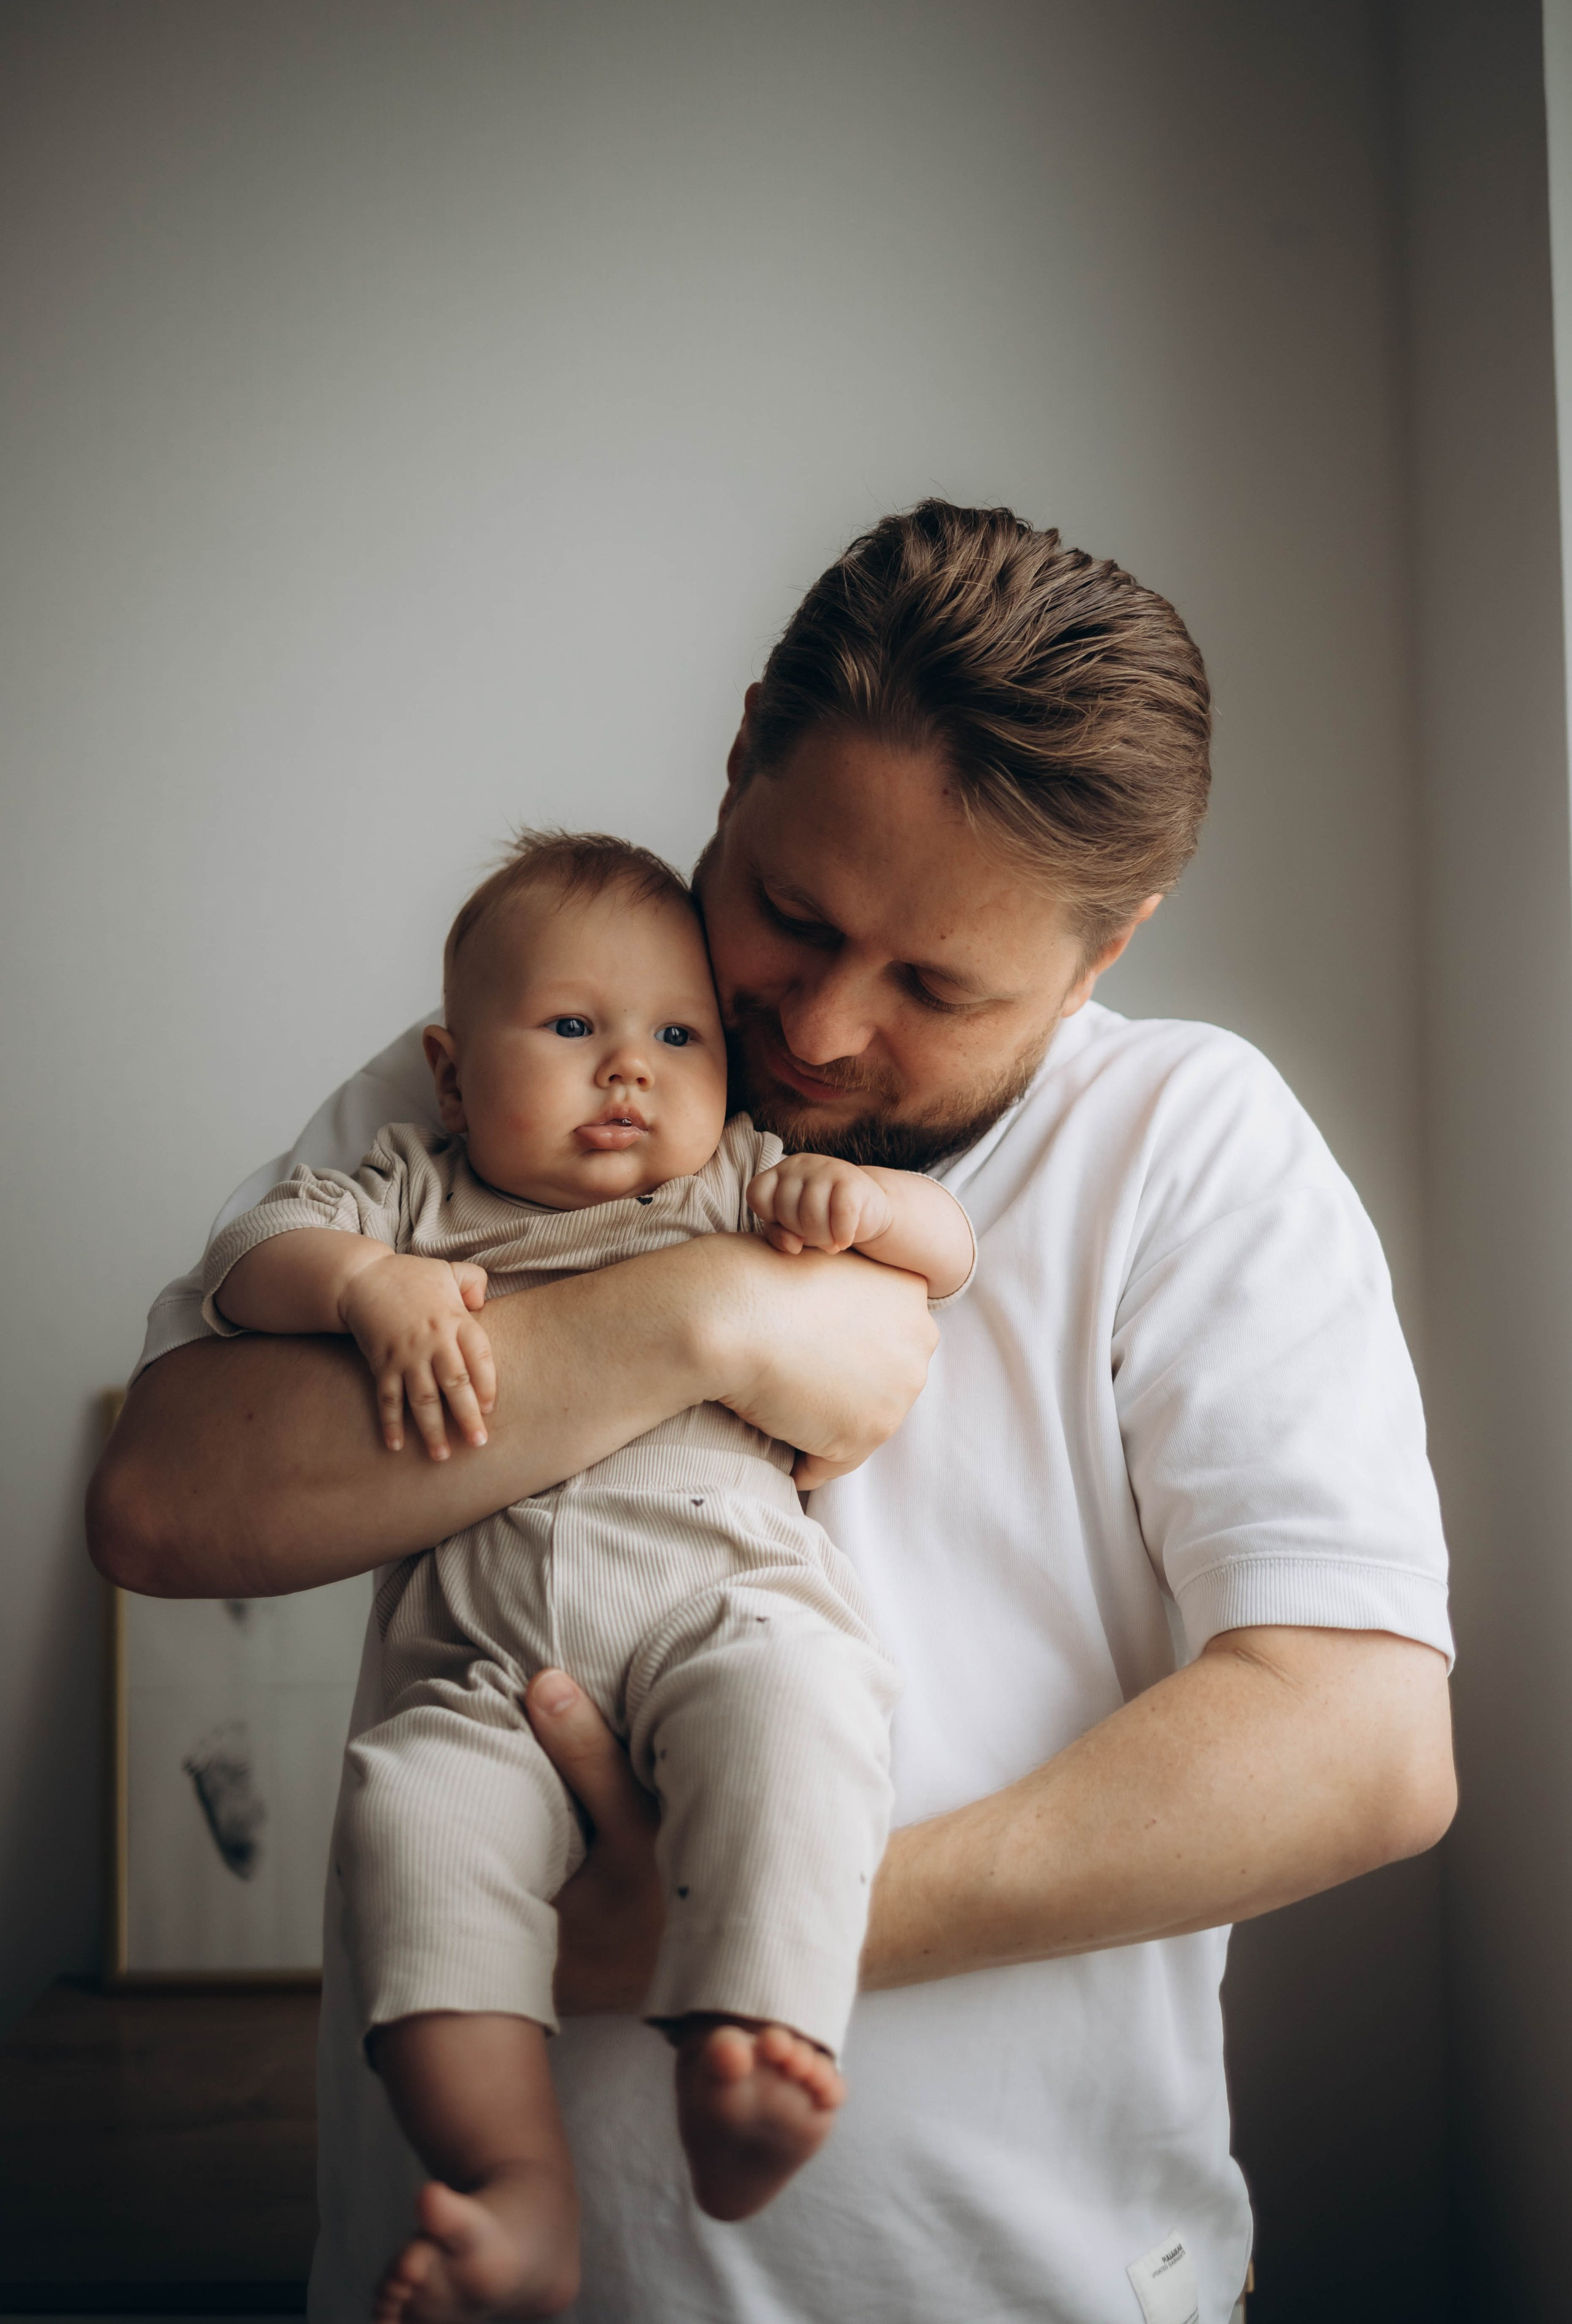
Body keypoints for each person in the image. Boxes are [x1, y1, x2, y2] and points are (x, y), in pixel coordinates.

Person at [90, 500, 1457, 2324]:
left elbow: (1360, 1740)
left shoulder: (1190, 1149)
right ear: (739, 756)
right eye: (792, 914)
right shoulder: (527, 1072)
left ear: (1108, 944)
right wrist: (707, 1314)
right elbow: (168, 1505)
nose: (814, 1025)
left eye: (934, 987)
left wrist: (741, 1930)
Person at [200, 827, 972, 2319]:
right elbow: (251, 1253)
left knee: (801, 1712)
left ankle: (757, 2041)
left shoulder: (741, 1179)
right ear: (448, 1071)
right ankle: (517, 2184)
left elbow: (945, 1256)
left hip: (720, 1604)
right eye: (572, 1029)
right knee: (407, 1820)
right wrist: (367, 1287)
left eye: (676, 1036)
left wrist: (866, 1213)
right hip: (478, 1673)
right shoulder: (412, 1195)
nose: (630, 1071)